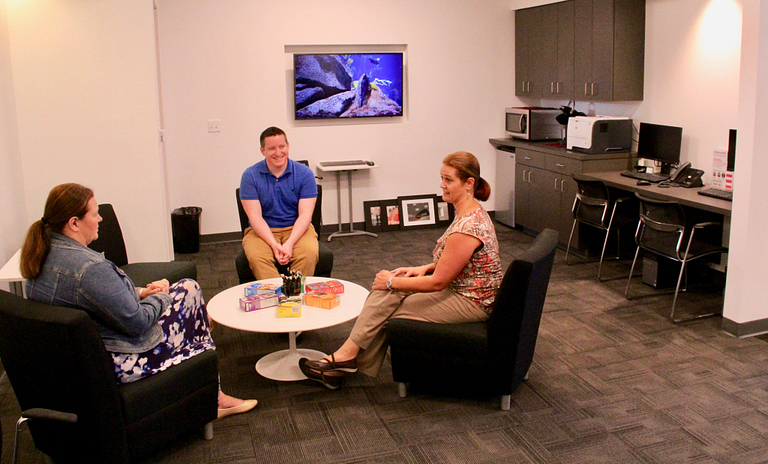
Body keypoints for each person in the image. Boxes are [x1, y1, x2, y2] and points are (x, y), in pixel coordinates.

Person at [20, 183, 257, 420]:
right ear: (74, 223)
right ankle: (214, 397)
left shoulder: (41, 255)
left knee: (187, 290)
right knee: (191, 297)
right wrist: (162, 296)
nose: (101, 218)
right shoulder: (90, 269)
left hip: (82, 359)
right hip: (122, 361)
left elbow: (95, 297)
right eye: (94, 214)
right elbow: (137, 322)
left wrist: (142, 292)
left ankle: (211, 386)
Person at [299, 151, 504, 389]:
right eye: (442, 178)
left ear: (469, 183)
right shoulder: (469, 213)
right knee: (385, 295)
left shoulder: (468, 226)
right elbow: (459, 261)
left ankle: (343, 359)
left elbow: (438, 283)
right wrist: (419, 268)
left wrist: (390, 282)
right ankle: (344, 359)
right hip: (460, 288)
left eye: (448, 180)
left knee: (388, 304)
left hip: (471, 302)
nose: (442, 185)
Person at [240, 126, 319, 279]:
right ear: (262, 150)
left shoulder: (304, 173)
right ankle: (276, 297)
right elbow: (255, 217)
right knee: (257, 258)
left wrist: (289, 243)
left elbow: (305, 215)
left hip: (296, 228)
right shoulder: (250, 176)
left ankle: (295, 295)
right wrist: (274, 245)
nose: (278, 153)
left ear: (288, 146)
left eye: (281, 146)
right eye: (271, 148)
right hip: (262, 230)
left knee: (308, 254)